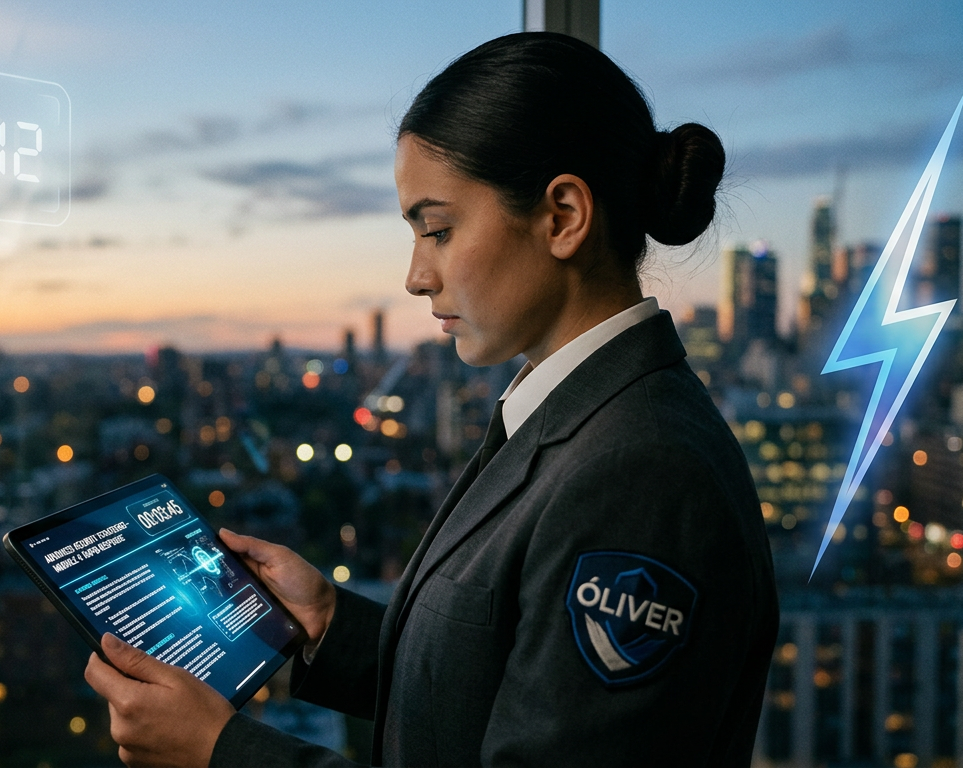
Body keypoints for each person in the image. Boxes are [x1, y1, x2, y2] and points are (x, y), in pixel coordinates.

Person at [84, 31, 778, 767]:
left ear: (563, 217)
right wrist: (328, 627)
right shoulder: (570, 416)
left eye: (439, 230)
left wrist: (222, 752)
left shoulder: (641, 471)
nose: (417, 276)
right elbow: (500, 690)